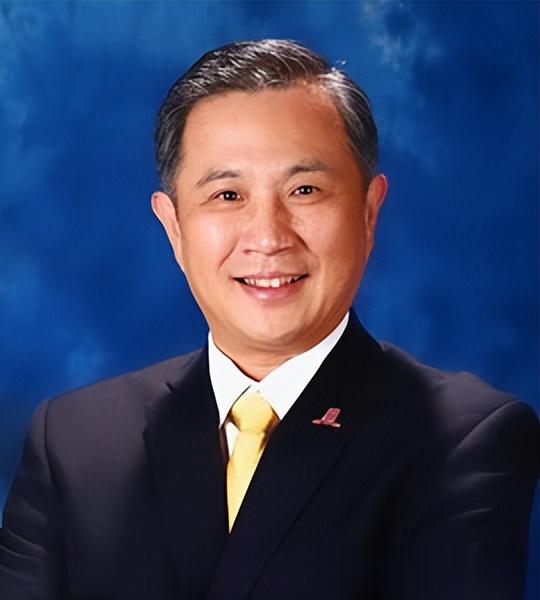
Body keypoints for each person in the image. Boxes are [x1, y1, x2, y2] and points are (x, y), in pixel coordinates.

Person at [0, 39, 538, 600]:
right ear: (174, 227)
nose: (267, 237)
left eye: (304, 190)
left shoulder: (462, 437)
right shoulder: (75, 440)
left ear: (368, 211)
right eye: (227, 194)